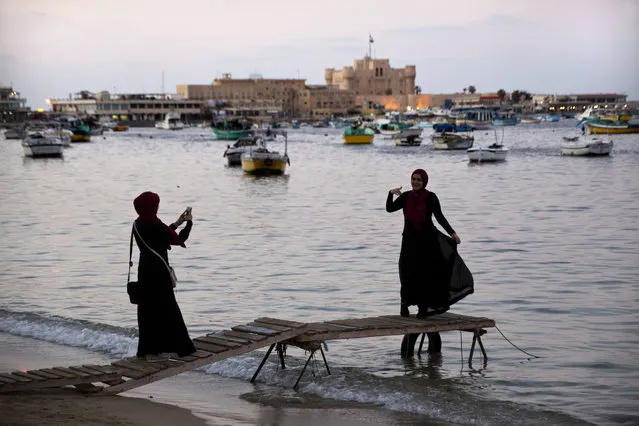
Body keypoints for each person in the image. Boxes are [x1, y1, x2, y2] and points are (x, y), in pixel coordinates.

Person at [386, 169, 461, 319]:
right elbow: (390, 209)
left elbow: (440, 217)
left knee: (426, 274)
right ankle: (404, 304)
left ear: (424, 182)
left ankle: (423, 308)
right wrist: (390, 193)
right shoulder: (406, 196)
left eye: (419, 180)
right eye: (413, 179)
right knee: (407, 272)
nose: (415, 182)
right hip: (409, 241)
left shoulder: (431, 197)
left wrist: (452, 233)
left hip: (428, 241)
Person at [132, 191, 196, 361]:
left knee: (148, 310)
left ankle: (149, 351)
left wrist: (177, 222)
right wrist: (189, 224)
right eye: (156, 204)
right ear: (153, 207)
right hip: (158, 272)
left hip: (145, 270)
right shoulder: (155, 224)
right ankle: (178, 348)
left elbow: (160, 236)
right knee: (167, 309)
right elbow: (178, 239)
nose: (158, 206)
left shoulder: (138, 223)